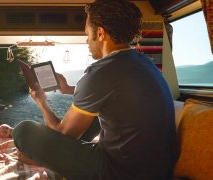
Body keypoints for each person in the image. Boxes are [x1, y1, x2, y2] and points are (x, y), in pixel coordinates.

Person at [13, 0, 178, 179]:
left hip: (120, 172)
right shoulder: (144, 63)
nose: (86, 40)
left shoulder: (100, 72)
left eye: (87, 34)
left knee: (24, 131)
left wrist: (42, 102)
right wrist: (69, 89)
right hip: (159, 169)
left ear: (100, 33)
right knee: (95, 116)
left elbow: (61, 136)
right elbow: (116, 92)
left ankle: (42, 161)